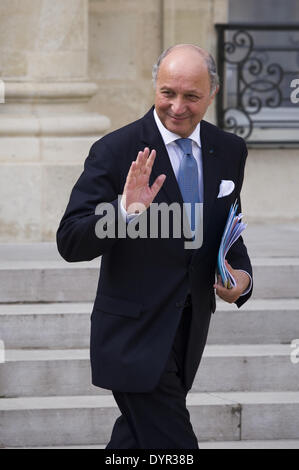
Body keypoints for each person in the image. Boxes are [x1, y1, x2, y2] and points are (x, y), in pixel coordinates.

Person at [56, 44, 253, 449]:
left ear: (213, 93)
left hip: (188, 332)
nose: (177, 107)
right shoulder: (115, 150)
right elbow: (70, 240)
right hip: (132, 337)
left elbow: (229, 227)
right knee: (176, 449)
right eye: (168, 93)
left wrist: (243, 277)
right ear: (155, 87)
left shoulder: (230, 149)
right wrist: (124, 212)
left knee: (134, 445)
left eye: (191, 96)